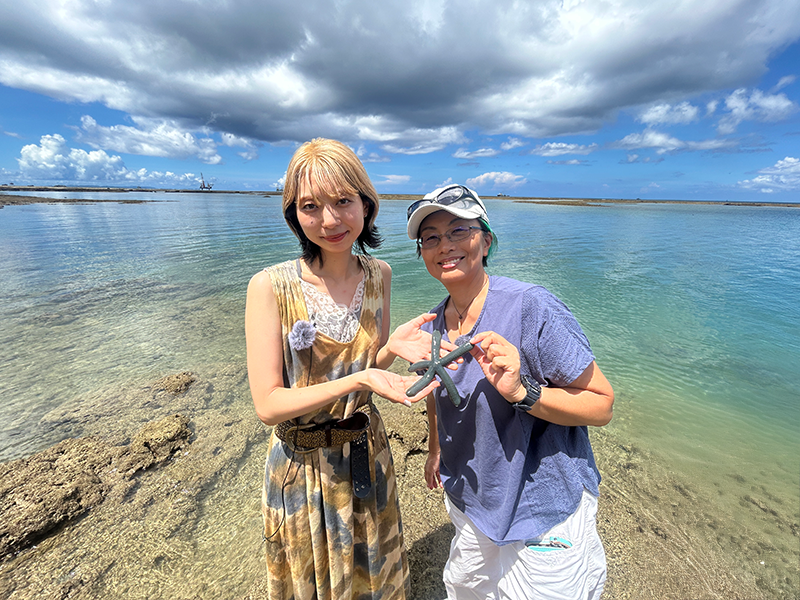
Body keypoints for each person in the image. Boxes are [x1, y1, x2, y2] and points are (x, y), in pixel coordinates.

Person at [245, 138, 442, 600]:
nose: (330, 220)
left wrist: (389, 349)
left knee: (370, 568)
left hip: (364, 453)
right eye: (311, 206)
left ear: (366, 205)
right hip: (301, 467)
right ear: (294, 213)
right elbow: (268, 404)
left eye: (342, 201)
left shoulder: (380, 275)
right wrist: (360, 378)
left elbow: (368, 365)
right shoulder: (270, 286)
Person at [406, 184, 615, 599]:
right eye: (430, 237)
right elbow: (436, 391)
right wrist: (435, 450)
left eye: (458, 231)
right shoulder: (431, 324)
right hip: (471, 500)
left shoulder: (531, 307)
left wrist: (524, 392)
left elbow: (602, 404)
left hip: (540, 511)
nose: (444, 245)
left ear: (485, 240)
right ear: (423, 253)